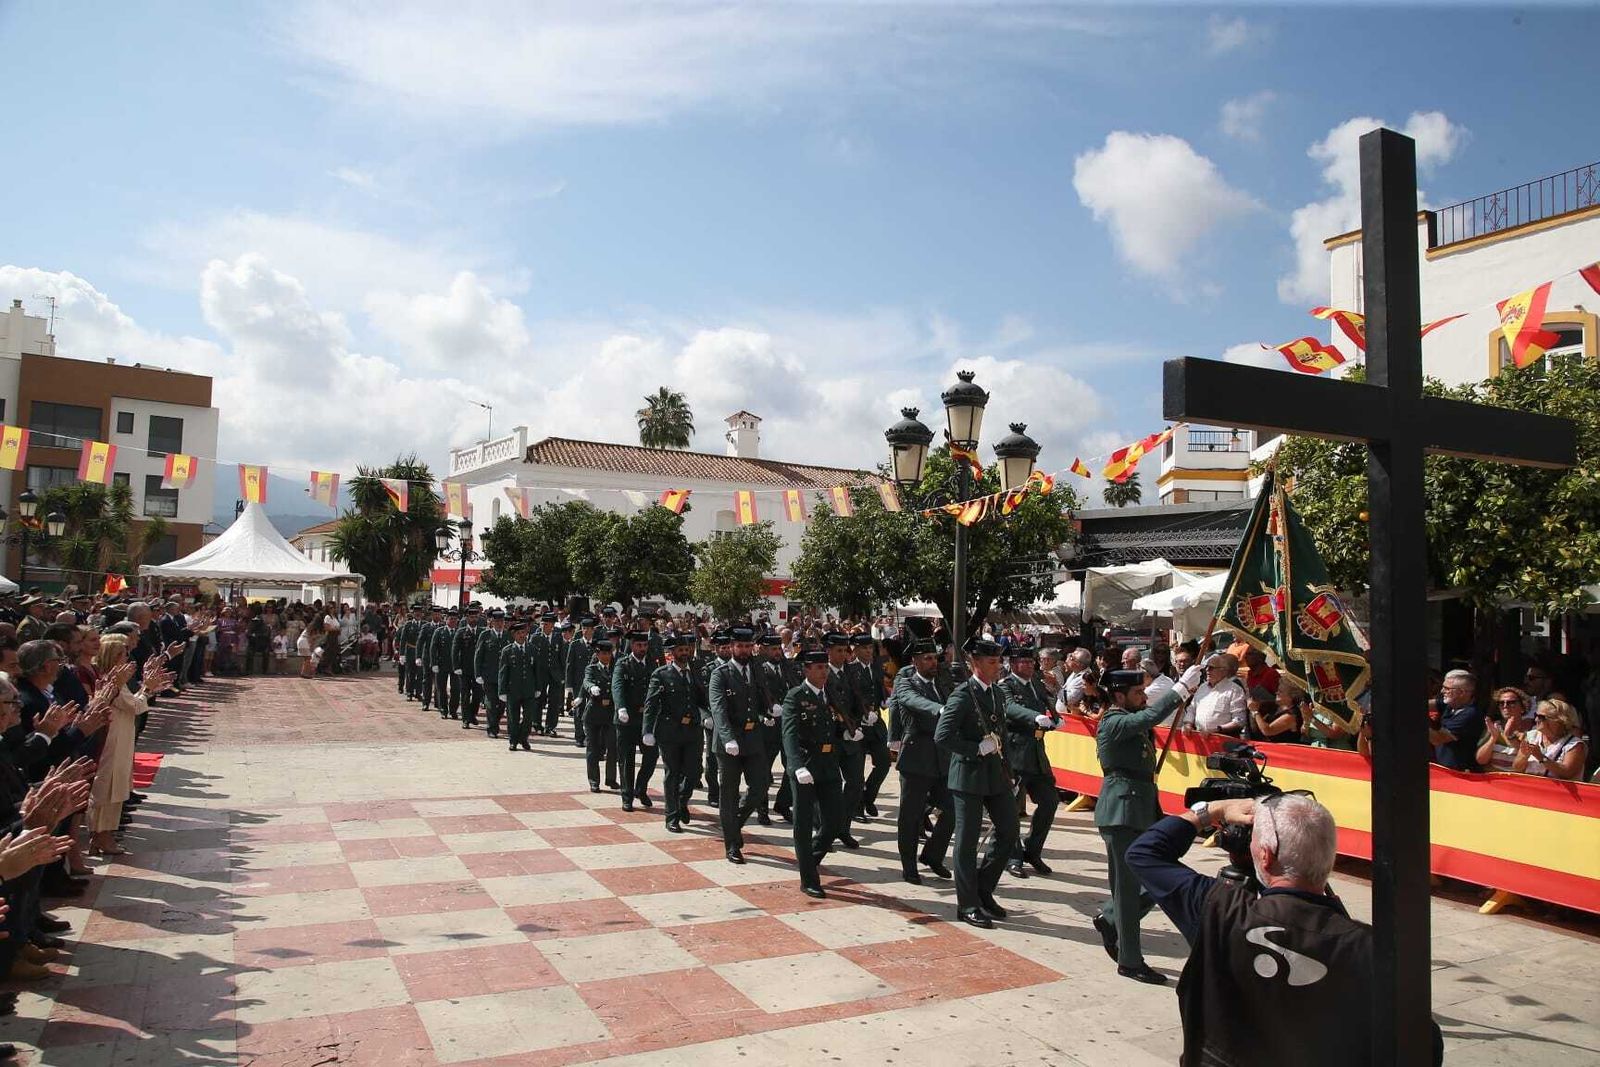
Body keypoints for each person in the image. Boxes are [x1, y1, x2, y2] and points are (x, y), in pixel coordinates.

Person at [1125, 793, 1443, 1067]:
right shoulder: (1370, 948)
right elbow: (1425, 1047)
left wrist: (1213, 810)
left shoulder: (1222, 911)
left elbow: (1145, 853)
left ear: (1265, 855)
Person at [1090, 662, 1205, 984]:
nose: (1143, 697)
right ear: (1118, 695)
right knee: (1128, 889)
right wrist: (1179, 689)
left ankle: (1111, 918)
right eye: (1137, 692)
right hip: (1122, 812)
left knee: (1158, 876)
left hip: (1142, 807)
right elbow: (1148, 717)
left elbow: (1147, 719)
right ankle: (1129, 959)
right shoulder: (1113, 721)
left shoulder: (1130, 719)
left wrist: (1184, 694)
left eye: (1144, 691)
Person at [934, 638, 1020, 929]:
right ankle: (967, 904)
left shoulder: (996, 693)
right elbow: (942, 736)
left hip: (995, 774)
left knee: (1009, 831)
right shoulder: (962, 695)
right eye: (992, 662)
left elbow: (1002, 733)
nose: (998, 668)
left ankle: (984, 888)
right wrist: (974, 748)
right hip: (969, 776)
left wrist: (1010, 770)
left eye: (998, 662)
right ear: (975, 664)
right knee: (967, 841)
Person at [781, 650, 846, 899]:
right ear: (806, 670)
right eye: (818, 667)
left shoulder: (831, 692)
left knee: (834, 822)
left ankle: (810, 859)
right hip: (806, 768)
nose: (823, 672)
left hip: (829, 766)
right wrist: (796, 765)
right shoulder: (795, 697)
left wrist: (848, 732)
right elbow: (789, 734)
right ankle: (808, 877)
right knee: (804, 823)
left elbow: (835, 723)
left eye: (825, 667)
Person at [889, 640, 952, 885]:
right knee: (911, 816)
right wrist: (941, 710)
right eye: (926, 658)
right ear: (914, 661)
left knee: (953, 809)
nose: (932, 662)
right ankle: (909, 865)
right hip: (916, 758)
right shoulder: (906, 684)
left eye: (934, 658)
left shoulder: (942, 684)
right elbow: (916, 703)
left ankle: (933, 856)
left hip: (942, 758)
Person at [708, 627, 772, 863]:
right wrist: (728, 738)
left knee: (760, 786)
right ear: (732, 647)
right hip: (729, 744)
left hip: (753, 738)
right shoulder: (720, 674)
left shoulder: (756, 669)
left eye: (748, 646)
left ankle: (734, 824)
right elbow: (718, 709)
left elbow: (762, 695)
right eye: (740, 646)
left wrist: (770, 709)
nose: (744, 651)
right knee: (729, 794)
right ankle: (732, 845)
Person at [999, 646, 1058, 878]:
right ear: (1013, 665)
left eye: (1031, 661)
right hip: (1015, 753)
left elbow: (1048, 702)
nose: (1030, 665)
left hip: (1036, 753)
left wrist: (1056, 717)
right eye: (1024, 662)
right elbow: (1011, 708)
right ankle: (1012, 857)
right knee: (1011, 808)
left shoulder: (1035, 684)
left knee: (1049, 801)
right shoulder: (1006, 686)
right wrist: (1034, 716)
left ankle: (1032, 850)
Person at [643, 636, 698, 829]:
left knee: (693, 772)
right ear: (672, 653)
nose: (685, 653)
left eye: (687, 649)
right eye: (680, 650)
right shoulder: (661, 674)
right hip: (669, 731)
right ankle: (671, 816)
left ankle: (682, 800)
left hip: (692, 730)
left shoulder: (695, 670)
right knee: (672, 773)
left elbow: (703, 697)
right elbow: (651, 703)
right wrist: (647, 730)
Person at [849, 634, 892, 820]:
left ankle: (868, 796)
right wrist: (860, 716)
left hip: (875, 724)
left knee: (884, 763)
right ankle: (857, 807)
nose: (868, 651)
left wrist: (884, 700)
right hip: (858, 724)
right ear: (856, 650)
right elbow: (847, 699)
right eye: (864, 648)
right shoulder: (850, 670)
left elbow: (879, 689)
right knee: (857, 770)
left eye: (870, 648)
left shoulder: (875, 668)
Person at [612, 631, 655, 812]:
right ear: (632, 646)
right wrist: (620, 707)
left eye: (644, 645)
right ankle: (627, 796)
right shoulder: (623, 664)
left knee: (652, 756)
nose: (642, 649)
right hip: (627, 719)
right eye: (639, 645)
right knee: (626, 759)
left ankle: (641, 787)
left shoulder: (652, 664)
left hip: (646, 720)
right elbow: (617, 686)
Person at [1512, 698, 1589, 780]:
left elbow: (1567, 773)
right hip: (1530, 788)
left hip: (1557, 791)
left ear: (1558, 720)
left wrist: (1541, 757)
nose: (1536, 719)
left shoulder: (1574, 745)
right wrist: (1524, 756)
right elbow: (1516, 768)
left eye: (1541, 717)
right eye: (1536, 715)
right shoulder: (1531, 736)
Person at [581, 638, 618, 791]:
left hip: (610, 714)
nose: (606, 656)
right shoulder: (592, 668)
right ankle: (594, 780)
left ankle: (610, 779)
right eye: (603, 653)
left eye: (608, 653)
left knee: (612, 747)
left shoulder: (616, 668)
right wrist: (591, 688)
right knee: (593, 749)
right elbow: (587, 681)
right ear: (597, 654)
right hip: (594, 714)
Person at [1429, 669, 1483, 771]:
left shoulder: (1470, 714)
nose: (1442, 691)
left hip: (1458, 773)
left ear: (1461, 693)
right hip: (1443, 769)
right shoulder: (1450, 703)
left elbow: (1437, 739)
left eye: (1446, 688)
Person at [497, 619, 538, 752]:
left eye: (524, 632)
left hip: (529, 689)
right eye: (519, 633)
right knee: (513, 718)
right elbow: (503, 672)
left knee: (528, 717)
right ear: (514, 635)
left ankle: (523, 737)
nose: (522, 635)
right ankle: (513, 740)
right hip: (513, 689)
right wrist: (502, 691)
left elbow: (537, 670)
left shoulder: (532, 649)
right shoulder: (507, 651)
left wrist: (538, 687)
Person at [1182, 653, 1246, 736]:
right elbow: (1192, 709)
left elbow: (1239, 720)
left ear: (1223, 670)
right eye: (1206, 667)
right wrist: (1188, 724)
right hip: (1199, 737)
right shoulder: (1202, 687)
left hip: (1223, 739)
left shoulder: (1235, 690)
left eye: (1211, 668)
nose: (1207, 670)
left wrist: (1217, 730)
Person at [475, 609, 506, 739]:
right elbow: (478, 655)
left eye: (501, 621)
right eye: (496, 621)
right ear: (491, 622)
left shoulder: (508, 635)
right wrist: (478, 674)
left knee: (502, 704)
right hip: (489, 676)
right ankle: (491, 728)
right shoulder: (485, 635)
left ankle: (495, 723)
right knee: (491, 703)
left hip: (504, 677)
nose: (499, 624)